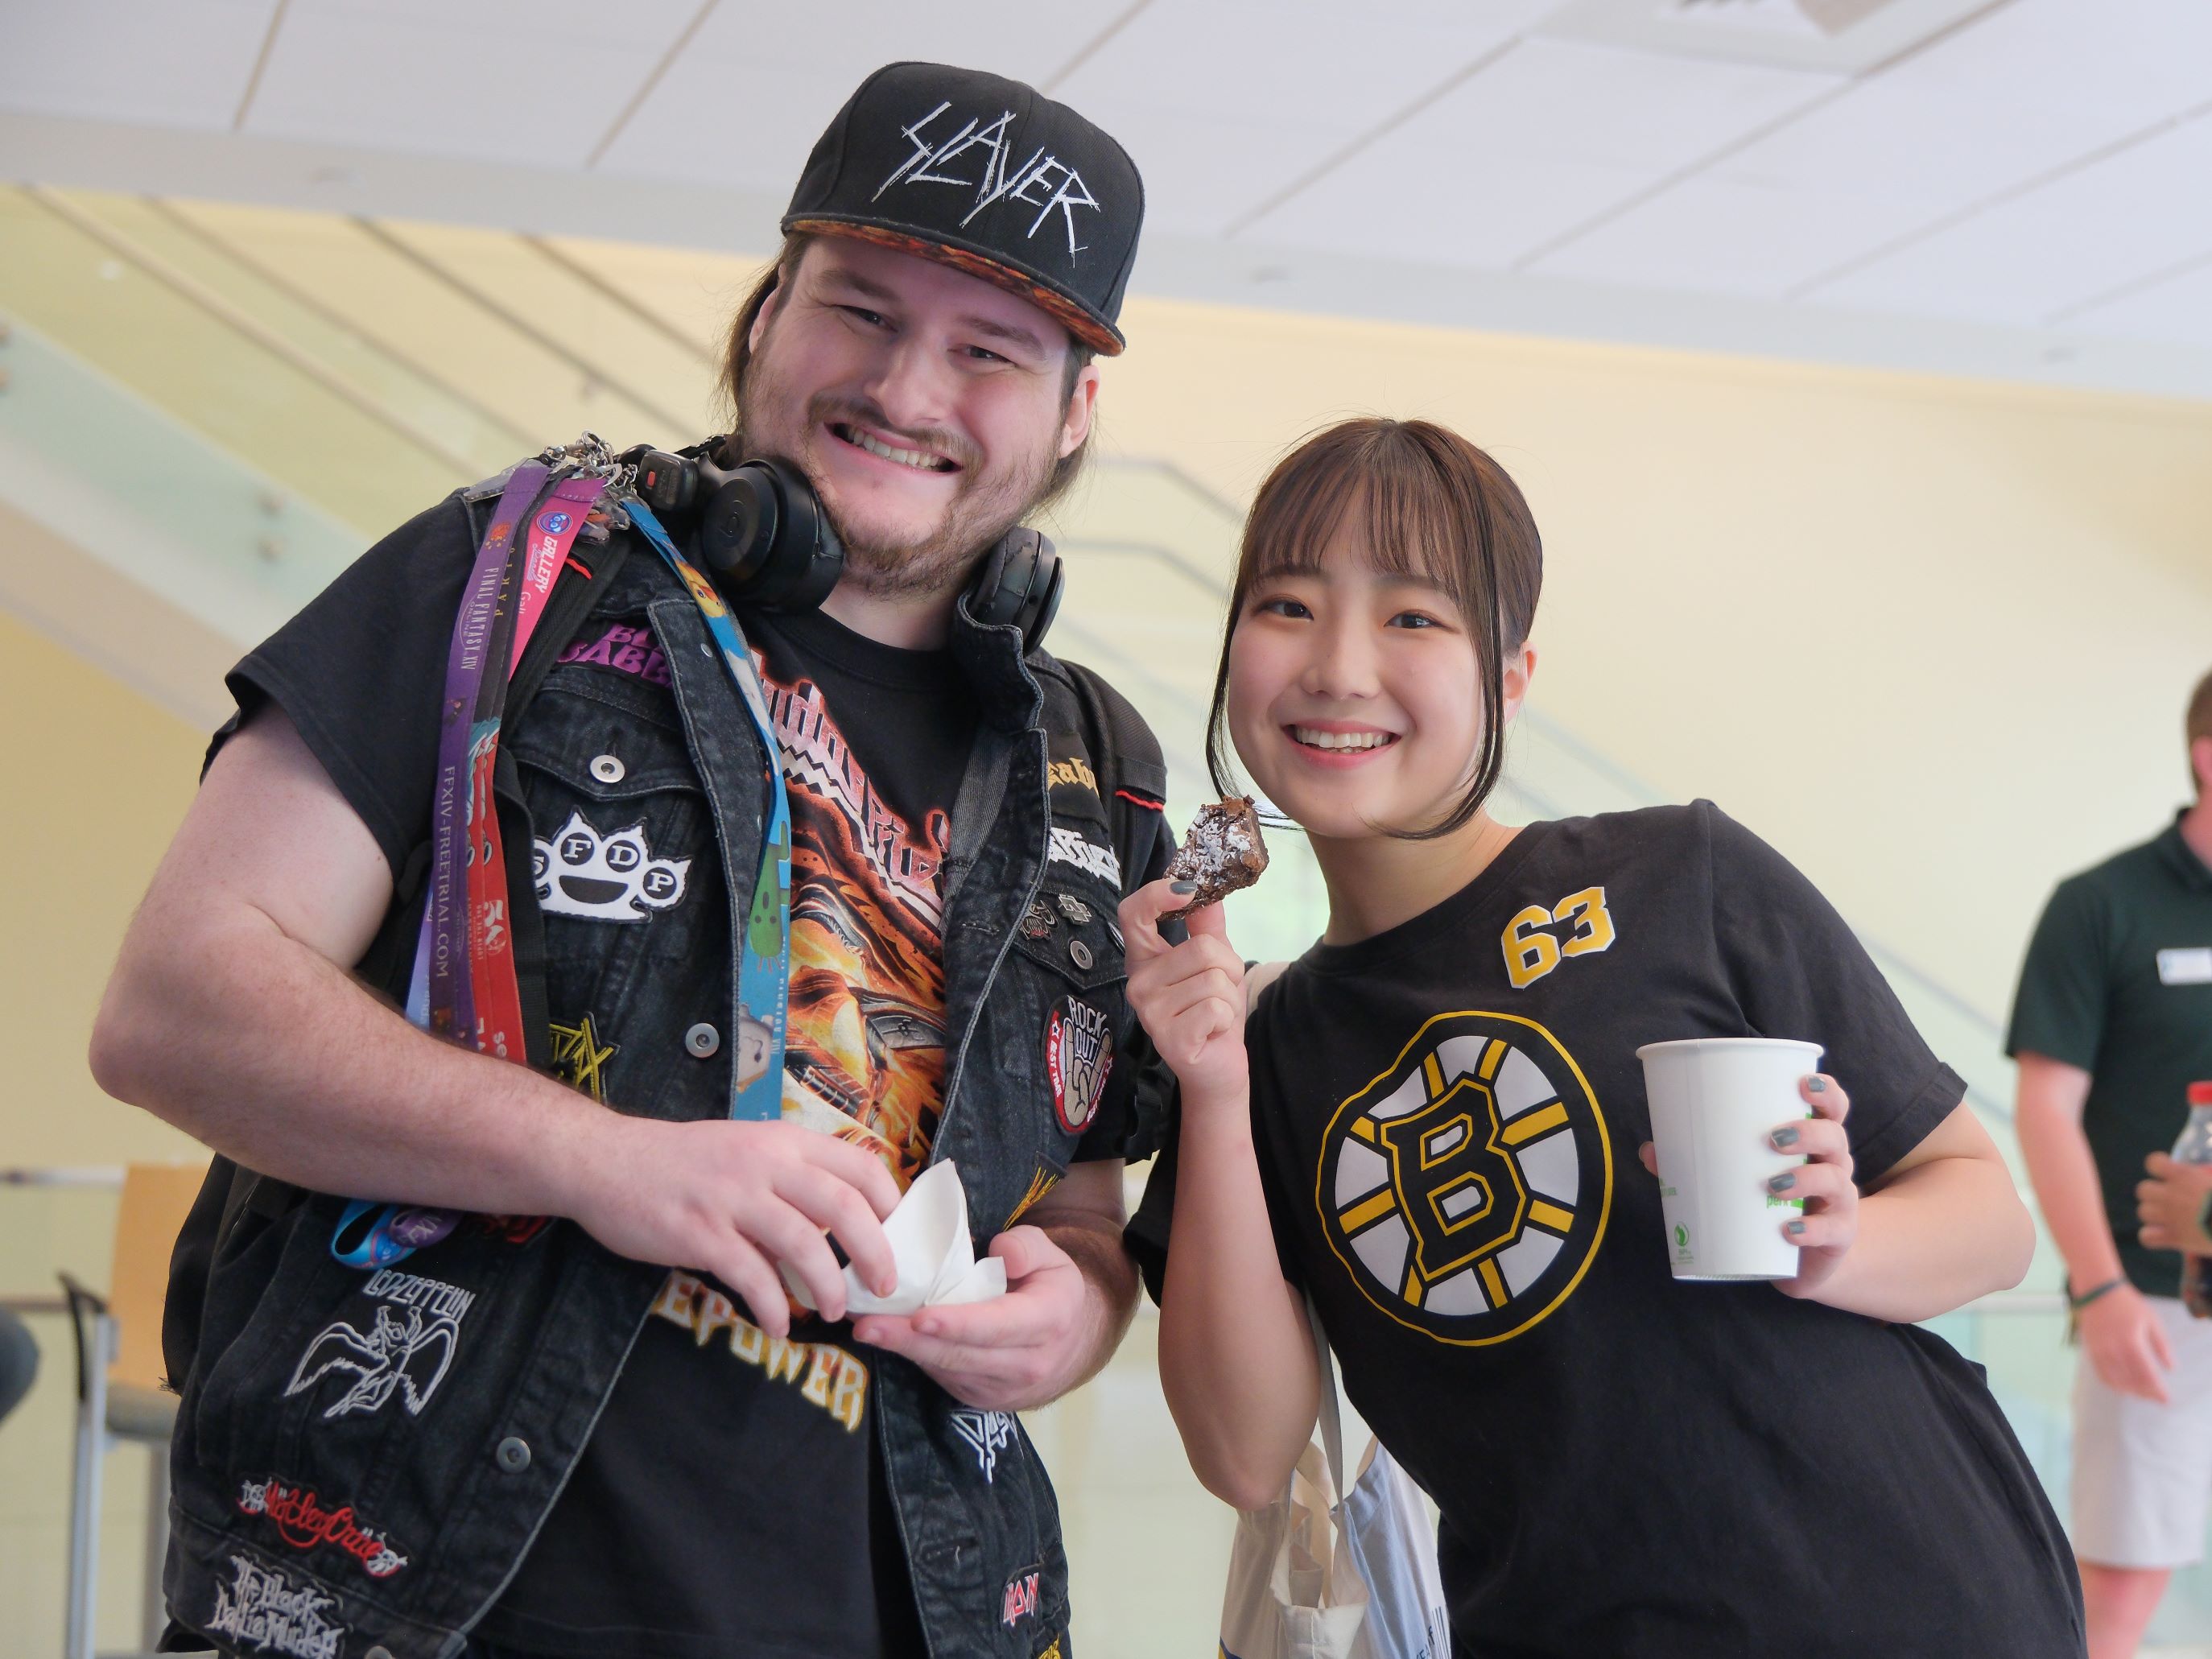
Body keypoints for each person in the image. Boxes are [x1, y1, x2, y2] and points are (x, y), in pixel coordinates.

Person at [90, 62, 1171, 1659]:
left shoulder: (1105, 765)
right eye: (859, 308)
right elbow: (178, 1000)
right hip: (416, 1602)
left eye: (989, 351)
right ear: (765, 317)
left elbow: (1078, 1201)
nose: (909, 386)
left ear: (1076, 409)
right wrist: (609, 1157)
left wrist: (1078, 1309)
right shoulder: (509, 579)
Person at [1120, 417, 2085, 1656]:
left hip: (1916, 1598)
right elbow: (1246, 1452)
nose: (1341, 667)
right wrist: (1209, 1087)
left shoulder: (1681, 873)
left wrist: (1835, 1243)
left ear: (1511, 674)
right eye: (1287, 606)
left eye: (1415, 617)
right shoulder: (1262, 1050)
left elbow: (1989, 1218)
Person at [2011, 666, 2212, 1659]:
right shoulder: (2101, 906)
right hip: (2159, 1307)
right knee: (2122, 1595)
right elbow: (2046, 1108)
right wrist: (2099, 1290)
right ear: (2207, 758)